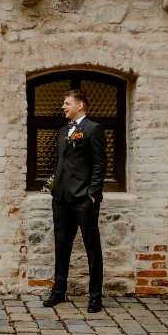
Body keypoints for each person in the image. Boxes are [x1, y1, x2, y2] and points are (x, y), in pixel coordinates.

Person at [44, 90, 107, 313]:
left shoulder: (93, 129)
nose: (63, 106)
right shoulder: (63, 131)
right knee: (61, 246)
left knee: (92, 248)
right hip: (61, 198)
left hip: (83, 199)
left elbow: (100, 163)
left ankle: (95, 297)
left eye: (67, 103)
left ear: (79, 105)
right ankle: (58, 291)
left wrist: (93, 193)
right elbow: (61, 163)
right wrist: (52, 188)